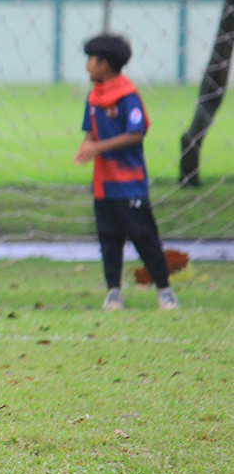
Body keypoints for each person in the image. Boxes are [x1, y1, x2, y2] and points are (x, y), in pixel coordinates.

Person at [73, 34, 179, 311]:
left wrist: (99, 148)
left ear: (104, 64)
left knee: (144, 236)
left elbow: (136, 132)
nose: (86, 66)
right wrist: (86, 148)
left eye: (90, 60)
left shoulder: (128, 95)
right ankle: (113, 292)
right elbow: (90, 133)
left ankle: (164, 290)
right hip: (103, 184)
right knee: (108, 237)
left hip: (129, 183)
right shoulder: (94, 97)